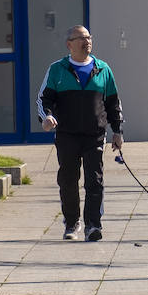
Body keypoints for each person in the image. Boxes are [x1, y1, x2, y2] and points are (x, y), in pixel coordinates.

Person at [36, 25, 123, 241]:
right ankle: (72, 223)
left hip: (95, 135)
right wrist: (46, 117)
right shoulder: (57, 69)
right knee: (68, 180)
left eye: (89, 37)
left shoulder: (103, 69)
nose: (87, 42)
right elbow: (44, 99)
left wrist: (117, 131)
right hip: (67, 135)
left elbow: (113, 103)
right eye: (81, 38)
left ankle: (93, 225)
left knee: (95, 180)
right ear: (69, 44)